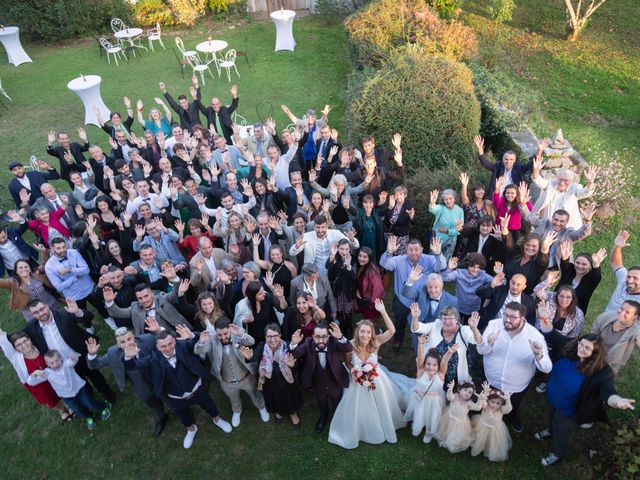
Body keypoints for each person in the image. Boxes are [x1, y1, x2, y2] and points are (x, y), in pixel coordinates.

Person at [536, 321, 636, 467]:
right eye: (581, 344)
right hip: (553, 399)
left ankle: (558, 453)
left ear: (594, 353)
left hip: (570, 410)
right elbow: (554, 336)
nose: (581, 349)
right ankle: (550, 431)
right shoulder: (571, 348)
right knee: (552, 418)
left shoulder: (601, 371)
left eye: (587, 348)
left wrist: (616, 401)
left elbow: (608, 391)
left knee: (561, 430)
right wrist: (545, 318)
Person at [124, 327, 232, 449]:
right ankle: (191, 429)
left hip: (196, 389)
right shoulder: (153, 358)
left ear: (175, 341)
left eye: (170, 344)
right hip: (175, 397)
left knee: (209, 405)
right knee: (183, 415)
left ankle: (217, 420)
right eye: (163, 346)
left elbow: (198, 340)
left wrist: (192, 335)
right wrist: (128, 357)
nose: (168, 348)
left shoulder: (183, 346)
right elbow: (132, 366)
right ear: (158, 347)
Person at [328, 300, 406, 449]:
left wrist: (382, 311)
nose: (365, 335)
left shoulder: (376, 342)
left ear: (372, 334)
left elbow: (392, 331)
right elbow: (349, 363)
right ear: (358, 332)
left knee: (382, 401)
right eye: (362, 331)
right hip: (356, 381)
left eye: (368, 332)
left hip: (376, 379)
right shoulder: (350, 345)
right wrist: (357, 374)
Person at [477, 302, 552, 432]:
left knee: (513, 405)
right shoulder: (493, 325)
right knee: (488, 403)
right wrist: (488, 344)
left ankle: (512, 416)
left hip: (516, 386)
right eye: (505, 314)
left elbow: (547, 368)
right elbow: (481, 350)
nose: (507, 319)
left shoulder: (535, 336)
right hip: (491, 379)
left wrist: (538, 354)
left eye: (512, 317)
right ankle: (485, 416)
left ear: (522, 318)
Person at [24, 299, 116, 402]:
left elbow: (89, 316)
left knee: (94, 374)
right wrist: (3, 337)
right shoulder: (31, 327)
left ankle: (106, 391)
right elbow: (16, 338)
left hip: (79, 355)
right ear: (32, 315)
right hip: (62, 363)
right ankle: (90, 396)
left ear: (47, 306)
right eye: (36, 312)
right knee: (78, 380)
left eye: (42, 309)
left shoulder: (64, 314)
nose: (41, 313)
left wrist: (78, 311)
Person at [86, 329, 167, 437]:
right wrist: (92, 355)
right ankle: (161, 416)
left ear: (134, 337)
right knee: (151, 401)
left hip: (159, 378)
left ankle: (180, 410)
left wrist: (158, 331)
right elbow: (94, 365)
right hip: (140, 385)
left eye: (129, 339)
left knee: (168, 396)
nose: (127, 343)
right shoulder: (113, 353)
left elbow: (168, 340)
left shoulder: (148, 339)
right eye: (122, 342)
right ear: (117, 344)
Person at [194, 317, 270, 427]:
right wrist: (201, 342)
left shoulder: (237, 334)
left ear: (230, 329)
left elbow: (251, 341)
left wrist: (241, 334)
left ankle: (261, 407)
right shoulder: (213, 340)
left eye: (225, 334)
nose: (223, 337)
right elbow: (198, 351)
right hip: (227, 382)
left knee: (255, 394)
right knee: (233, 399)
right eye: (219, 335)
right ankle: (237, 411)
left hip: (246, 378)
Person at [380, 237, 446, 352]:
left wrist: (438, 254)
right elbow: (384, 263)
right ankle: (398, 339)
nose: (414, 252)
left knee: (422, 323)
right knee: (399, 321)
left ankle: (420, 344)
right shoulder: (399, 260)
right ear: (406, 250)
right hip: (403, 300)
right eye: (410, 249)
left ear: (422, 249)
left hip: (423, 301)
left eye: (417, 249)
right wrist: (389, 252)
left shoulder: (429, 259)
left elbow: (442, 267)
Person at [289, 322, 352, 433]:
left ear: (328, 336)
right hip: (317, 383)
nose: (321, 340)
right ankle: (323, 417)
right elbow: (295, 354)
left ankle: (338, 419)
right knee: (321, 403)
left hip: (335, 381)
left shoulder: (334, 342)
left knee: (337, 402)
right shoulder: (308, 343)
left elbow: (348, 348)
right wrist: (294, 344)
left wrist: (341, 337)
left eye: (324, 337)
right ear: (313, 337)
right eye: (317, 337)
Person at [27, 350, 112, 430]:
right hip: (66, 396)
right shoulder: (46, 373)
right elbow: (31, 382)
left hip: (79, 389)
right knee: (78, 410)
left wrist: (73, 357)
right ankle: (89, 416)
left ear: (60, 358)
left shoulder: (66, 364)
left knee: (90, 404)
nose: (55, 364)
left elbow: (73, 361)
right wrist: (34, 374)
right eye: (52, 363)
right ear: (47, 364)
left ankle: (105, 405)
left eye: (57, 360)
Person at [0, 329, 71, 420]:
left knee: (62, 390)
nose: (23, 345)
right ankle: (62, 409)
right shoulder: (15, 357)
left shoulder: (40, 346)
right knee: (50, 399)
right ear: (15, 348)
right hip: (37, 383)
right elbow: (2, 339)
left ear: (30, 340)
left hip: (52, 377)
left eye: (25, 341)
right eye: (19, 345)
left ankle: (68, 403)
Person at [410, 306, 482, 386]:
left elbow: (478, 341)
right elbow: (417, 328)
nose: (447, 321)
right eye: (445, 318)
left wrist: (474, 329)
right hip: (432, 371)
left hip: (455, 374)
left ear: (456, 319)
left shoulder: (464, 330)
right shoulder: (435, 325)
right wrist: (415, 318)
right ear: (441, 319)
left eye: (451, 318)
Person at [404, 340, 457, 443]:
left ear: (438, 366)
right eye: (428, 364)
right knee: (419, 413)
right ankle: (417, 426)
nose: (431, 367)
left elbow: (444, 362)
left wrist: (449, 353)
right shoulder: (421, 371)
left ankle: (429, 432)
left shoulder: (440, 375)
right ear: (424, 364)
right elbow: (420, 358)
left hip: (434, 401)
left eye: (434, 365)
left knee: (432, 416)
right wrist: (420, 345)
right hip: (419, 398)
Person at [252, 323, 302, 427]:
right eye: (269, 336)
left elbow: (296, 365)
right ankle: (279, 412)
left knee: (288, 398)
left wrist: (292, 365)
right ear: (265, 337)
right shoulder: (262, 346)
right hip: (269, 382)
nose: (272, 339)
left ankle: (293, 413)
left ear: (280, 335)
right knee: (275, 398)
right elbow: (254, 357)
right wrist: (249, 357)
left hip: (286, 381)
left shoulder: (288, 345)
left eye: (275, 336)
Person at [104, 279, 192, 336]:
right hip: (153, 343)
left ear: (152, 294)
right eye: (140, 298)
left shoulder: (161, 298)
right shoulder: (135, 308)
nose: (144, 300)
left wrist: (174, 279)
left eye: (146, 296)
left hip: (176, 333)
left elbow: (173, 295)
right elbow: (117, 312)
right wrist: (109, 302)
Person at [531, 155, 597, 231]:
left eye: (566, 180)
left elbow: (585, 192)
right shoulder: (551, 184)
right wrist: (536, 170)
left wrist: (590, 182)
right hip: (548, 225)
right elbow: (538, 181)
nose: (562, 183)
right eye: (560, 179)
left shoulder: (575, 188)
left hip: (567, 228)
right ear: (557, 178)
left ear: (571, 181)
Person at [403, 270, 458, 350]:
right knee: (418, 351)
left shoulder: (453, 301)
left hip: (439, 332)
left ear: (442, 286)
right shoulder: (421, 291)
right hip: (419, 328)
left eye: (436, 287)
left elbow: (456, 322)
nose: (432, 290)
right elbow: (406, 293)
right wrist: (410, 281)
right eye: (430, 287)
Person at [474, 135, 546, 195]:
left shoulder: (518, 168)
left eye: (511, 159)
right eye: (506, 159)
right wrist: (480, 148)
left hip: (512, 199)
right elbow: (485, 163)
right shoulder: (497, 167)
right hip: (497, 198)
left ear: (514, 161)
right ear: (503, 160)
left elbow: (532, 163)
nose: (508, 161)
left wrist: (539, 150)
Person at [289, 214, 359, 273]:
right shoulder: (307, 236)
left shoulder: (335, 233)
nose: (320, 230)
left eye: (323, 227)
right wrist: (297, 246)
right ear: (314, 227)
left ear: (327, 226)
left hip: (332, 271)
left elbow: (356, 246)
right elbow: (291, 253)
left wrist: (352, 239)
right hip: (313, 273)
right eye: (318, 227)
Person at [589, 300, 640, 375]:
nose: (622, 313)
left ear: (635, 317)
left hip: (609, 364)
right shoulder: (607, 316)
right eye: (622, 309)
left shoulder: (636, 330)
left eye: (627, 312)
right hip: (592, 354)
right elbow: (593, 333)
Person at [0, 256, 58, 321]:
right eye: (20, 268)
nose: (24, 269)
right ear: (17, 271)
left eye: (26, 267)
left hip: (50, 305)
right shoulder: (13, 283)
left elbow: (44, 264)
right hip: (32, 314)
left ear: (30, 269)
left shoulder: (37, 275)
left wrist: (44, 251)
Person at [441, 253, 494, 322]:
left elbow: (500, 282)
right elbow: (444, 278)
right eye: (472, 266)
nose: (475, 270)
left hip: (474, 309)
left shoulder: (482, 275)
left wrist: (499, 274)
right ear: (467, 265)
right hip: (458, 307)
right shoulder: (459, 273)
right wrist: (449, 269)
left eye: (478, 267)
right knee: (455, 325)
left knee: (469, 328)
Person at [557, 241, 605, 314]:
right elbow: (564, 265)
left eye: (584, 264)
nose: (580, 266)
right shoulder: (570, 269)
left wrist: (596, 263)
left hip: (573, 313)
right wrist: (565, 257)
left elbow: (596, 276)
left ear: (590, 266)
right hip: (556, 305)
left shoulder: (591, 279)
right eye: (578, 263)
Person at [436, 380, 483, 453]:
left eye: (470, 392)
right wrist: (450, 389)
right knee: (446, 429)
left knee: (457, 434)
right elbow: (449, 397)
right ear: (459, 390)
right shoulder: (455, 396)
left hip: (460, 422)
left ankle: (454, 442)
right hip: (449, 417)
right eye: (465, 390)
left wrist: (480, 399)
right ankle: (445, 437)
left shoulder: (469, 403)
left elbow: (478, 407)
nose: (467, 393)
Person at [470, 387, 513, 462]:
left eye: (498, 403)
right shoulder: (486, 406)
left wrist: (508, 400)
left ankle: (489, 447)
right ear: (488, 400)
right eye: (492, 402)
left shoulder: (501, 409)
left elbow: (508, 409)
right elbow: (482, 404)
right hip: (483, 426)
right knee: (479, 438)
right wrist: (484, 396)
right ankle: (480, 446)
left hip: (495, 428)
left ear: (501, 404)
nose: (494, 405)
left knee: (491, 440)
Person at [327, 239, 358, 338]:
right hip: (337, 291)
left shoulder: (353, 259)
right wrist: (332, 256)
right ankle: (343, 330)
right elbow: (329, 270)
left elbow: (353, 277)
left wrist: (348, 266)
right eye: (341, 249)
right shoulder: (334, 258)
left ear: (349, 249)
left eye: (346, 249)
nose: (344, 252)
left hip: (348, 291)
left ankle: (350, 329)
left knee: (349, 313)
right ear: (338, 248)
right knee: (340, 313)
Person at [605, 230, 640, 312]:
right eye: (629, 276)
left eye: (635, 278)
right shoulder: (623, 279)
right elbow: (615, 262)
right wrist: (617, 247)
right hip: (603, 321)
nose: (630, 280)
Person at [379, 185, 415, 256]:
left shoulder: (408, 205)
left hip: (401, 236)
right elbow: (380, 213)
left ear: (405, 195)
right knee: (389, 255)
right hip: (389, 234)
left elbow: (412, 223)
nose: (398, 197)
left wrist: (411, 217)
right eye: (396, 194)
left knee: (399, 257)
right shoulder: (391, 202)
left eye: (401, 194)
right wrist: (389, 207)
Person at [428, 189, 464, 259]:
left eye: (450, 198)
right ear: (443, 201)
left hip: (452, 241)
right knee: (433, 258)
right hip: (438, 239)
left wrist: (447, 231)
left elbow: (459, 230)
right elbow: (433, 209)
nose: (448, 201)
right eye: (446, 199)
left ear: (454, 199)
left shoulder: (459, 210)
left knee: (446, 260)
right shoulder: (441, 208)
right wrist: (432, 202)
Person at [355, 247, 385, 321]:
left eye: (365, 257)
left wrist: (372, 303)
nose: (361, 258)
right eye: (360, 255)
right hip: (364, 299)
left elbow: (379, 288)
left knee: (370, 321)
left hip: (370, 302)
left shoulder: (372, 271)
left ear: (369, 258)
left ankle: (376, 331)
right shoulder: (361, 266)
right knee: (366, 318)